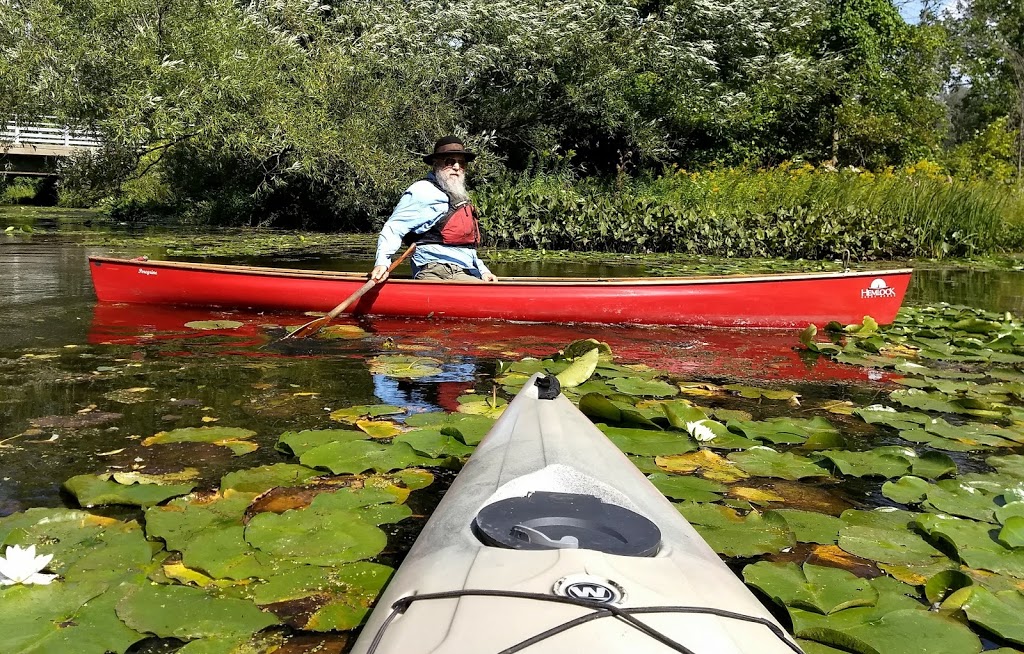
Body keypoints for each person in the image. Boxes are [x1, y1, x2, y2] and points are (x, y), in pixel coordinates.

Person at [371, 136, 497, 283]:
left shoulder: (458, 195)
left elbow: (465, 246)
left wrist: (482, 270)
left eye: (461, 163)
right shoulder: (423, 191)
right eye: (450, 162)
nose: (457, 167)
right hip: (437, 270)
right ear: (436, 164)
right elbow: (394, 227)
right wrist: (382, 263)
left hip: (464, 270)